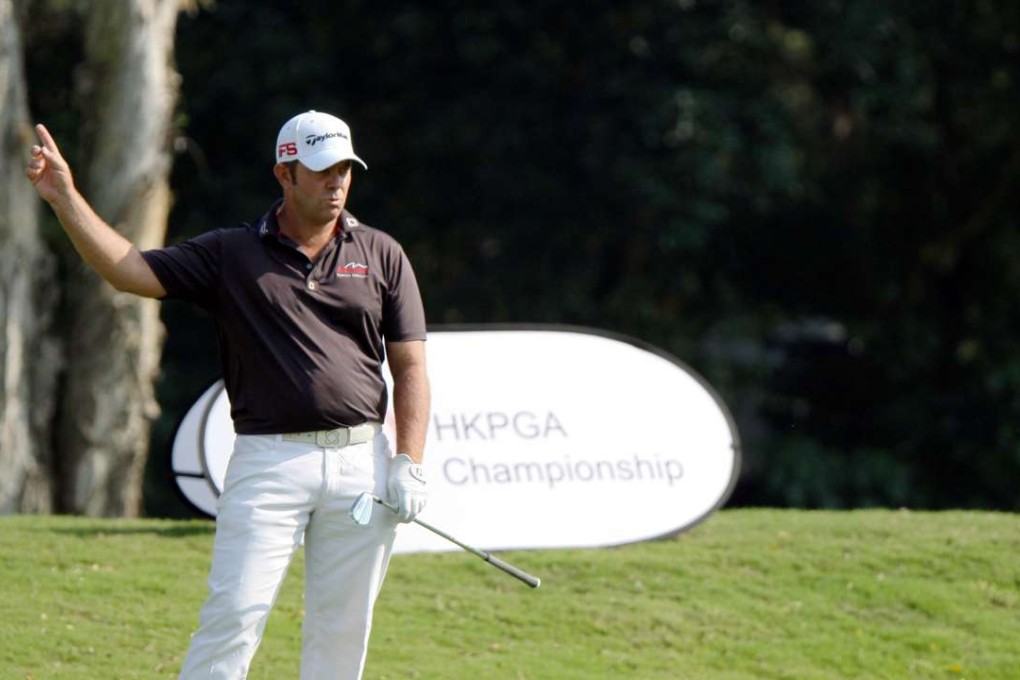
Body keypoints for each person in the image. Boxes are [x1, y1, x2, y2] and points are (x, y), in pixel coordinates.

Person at [26, 110, 430, 679]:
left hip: (361, 463)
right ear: (285, 174)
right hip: (269, 463)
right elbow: (130, 271)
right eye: (321, 170)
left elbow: (410, 366)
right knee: (234, 616)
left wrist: (408, 461)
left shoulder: (382, 253)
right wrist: (64, 198)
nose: (336, 182)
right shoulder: (233, 254)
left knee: (343, 631)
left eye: (344, 169)